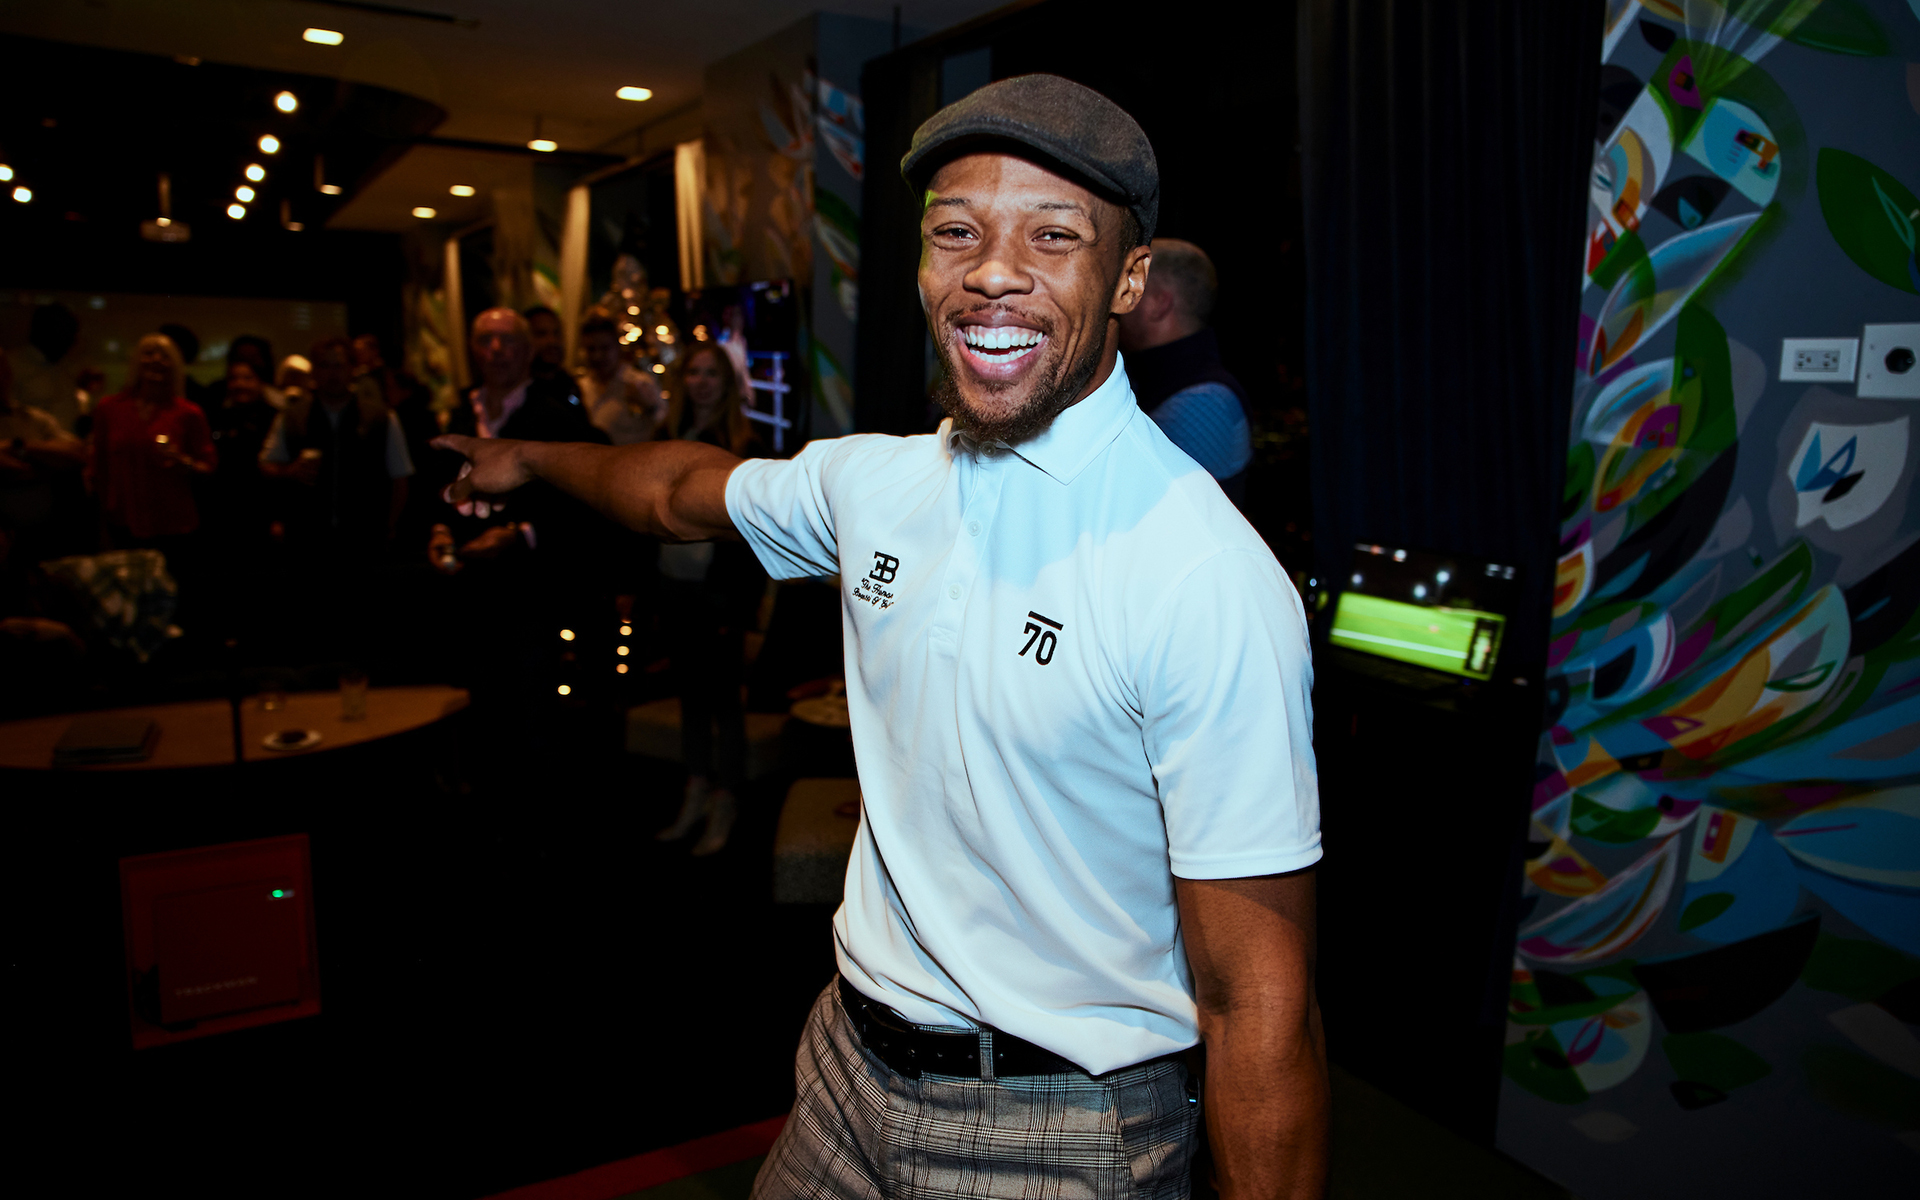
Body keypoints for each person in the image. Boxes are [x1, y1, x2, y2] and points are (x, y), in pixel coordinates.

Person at [435, 75, 1326, 1199]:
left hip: (1061, 1127)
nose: (992, 271)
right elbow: (674, 491)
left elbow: (1261, 1006)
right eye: (958, 231)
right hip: (843, 1066)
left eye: (1053, 236)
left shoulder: (1201, 576)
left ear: (1128, 279)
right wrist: (529, 459)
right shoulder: (879, 483)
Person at [651, 343, 765, 856]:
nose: (701, 382)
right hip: (672, 587)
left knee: (724, 704)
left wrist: (736, 607)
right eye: (693, 372)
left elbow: (754, 539)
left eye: (711, 374)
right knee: (690, 700)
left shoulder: (742, 443)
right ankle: (694, 792)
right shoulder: (665, 437)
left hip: (718, 595)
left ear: (727, 383)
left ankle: (726, 800)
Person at [1116, 238, 1253, 507]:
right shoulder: (1168, 382)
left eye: (1129, 287)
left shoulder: (1204, 401)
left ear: (1158, 303)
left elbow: (1145, 508)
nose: (1116, 301)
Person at [90, 333, 217, 604]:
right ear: (137, 361)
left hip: (172, 525)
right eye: (149, 353)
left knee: (170, 598)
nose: (156, 360)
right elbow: (98, 470)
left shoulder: (188, 413)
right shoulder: (110, 408)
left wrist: (182, 462)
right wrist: (100, 526)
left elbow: (208, 467)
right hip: (122, 521)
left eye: (164, 355)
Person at [0, 345, 89, 564]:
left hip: (44, 537)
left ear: (8, 374)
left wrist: (19, 447)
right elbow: (11, 470)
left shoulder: (31, 418)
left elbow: (77, 453)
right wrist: (44, 464)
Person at [577, 310, 667, 446]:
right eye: (591, 349)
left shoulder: (639, 383)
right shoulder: (580, 387)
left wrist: (649, 407)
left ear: (617, 347)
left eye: (605, 348)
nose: (597, 356)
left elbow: (665, 423)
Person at [12, 302, 85, 433]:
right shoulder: (12, 367)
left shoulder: (64, 369)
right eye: (67, 332)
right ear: (46, 331)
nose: (74, 341)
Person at [522, 305, 573, 390]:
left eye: (556, 333)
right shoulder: (513, 390)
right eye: (541, 334)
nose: (552, 341)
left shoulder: (569, 386)